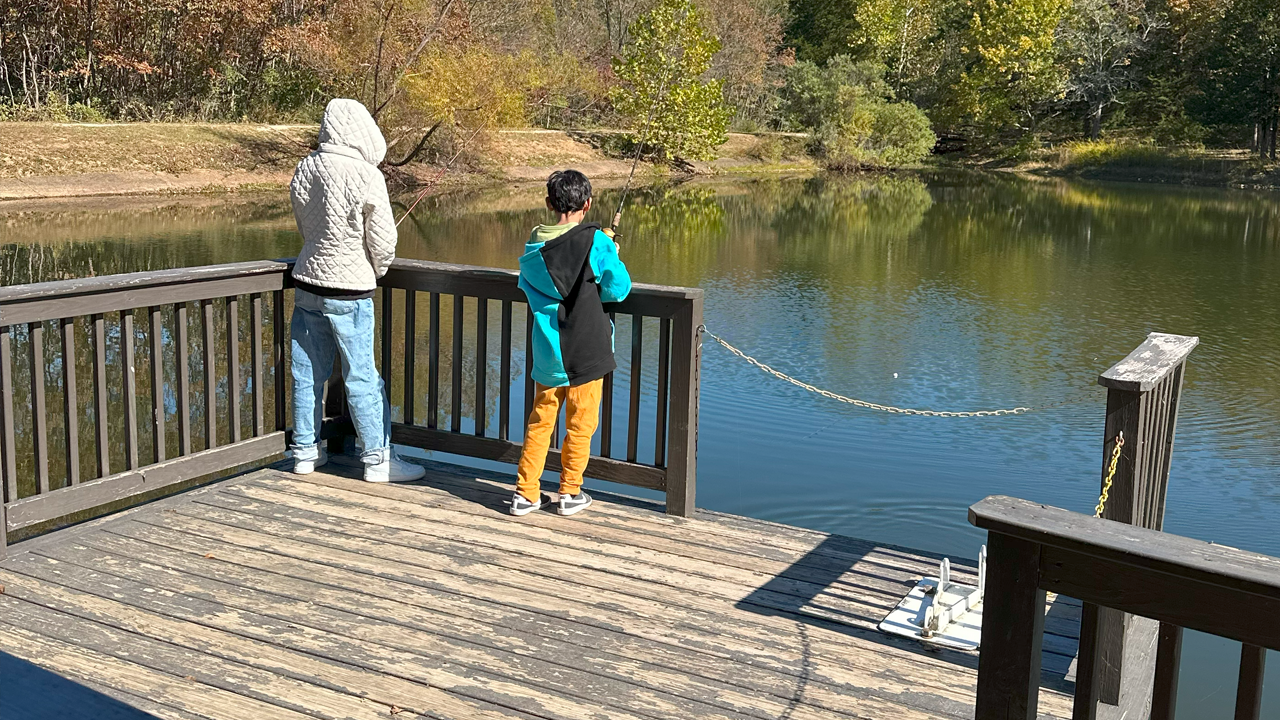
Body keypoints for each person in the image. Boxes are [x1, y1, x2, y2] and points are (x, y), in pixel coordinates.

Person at [287, 98, 425, 484]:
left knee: (306, 373)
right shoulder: (367, 176)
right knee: (362, 376)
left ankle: (303, 452)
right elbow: (383, 241)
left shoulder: (306, 166)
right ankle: (378, 459)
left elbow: (304, 220)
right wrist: (375, 270)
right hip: (350, 290)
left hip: (308, 281)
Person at [511, 170, 632, 516]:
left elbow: (559, 258)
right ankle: (569, 492)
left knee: (541, 420)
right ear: (588, 203)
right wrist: (611, 251)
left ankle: (526, 493)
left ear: (549, 204)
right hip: (586, 347)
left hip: (549, 350)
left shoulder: (535, 242)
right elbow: (618, 289)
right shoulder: (596, 241)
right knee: (581, 423)